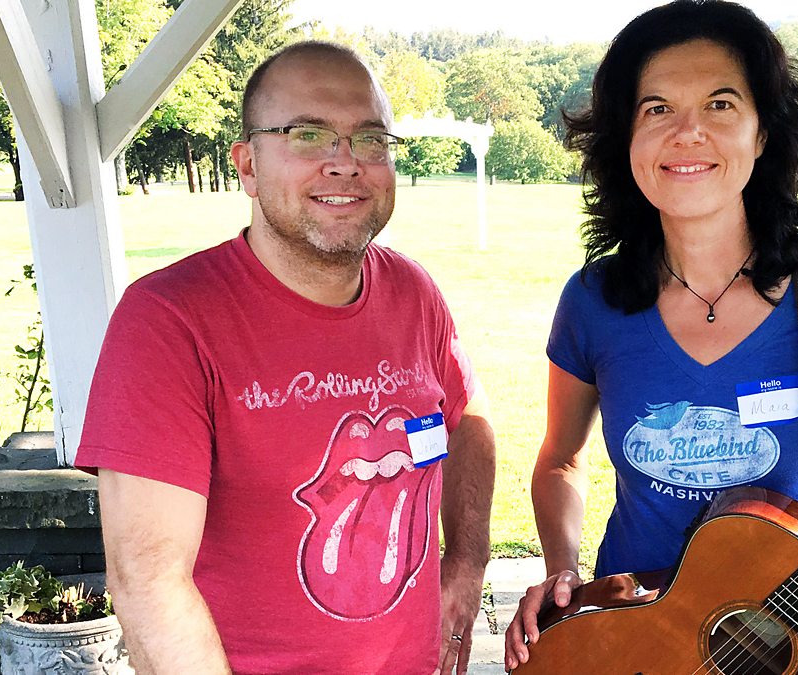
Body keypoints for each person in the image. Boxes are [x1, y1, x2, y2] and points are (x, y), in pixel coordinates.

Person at [504, 1, 798, 669]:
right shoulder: (593, 301)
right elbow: (561, 460)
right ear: (627, 140)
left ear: (763, 132)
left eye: (721, 104)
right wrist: (562, 571)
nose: (687, 131)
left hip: (784, 642)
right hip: (630, 636)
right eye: (657, 108)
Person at [75, 41, 496, 675]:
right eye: (308, 135)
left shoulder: (413, 293)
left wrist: (466, 560)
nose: (345, 163)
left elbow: (468, 417)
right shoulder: (168, 320)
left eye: (370, 139)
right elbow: (150, 583)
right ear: (247, 165)